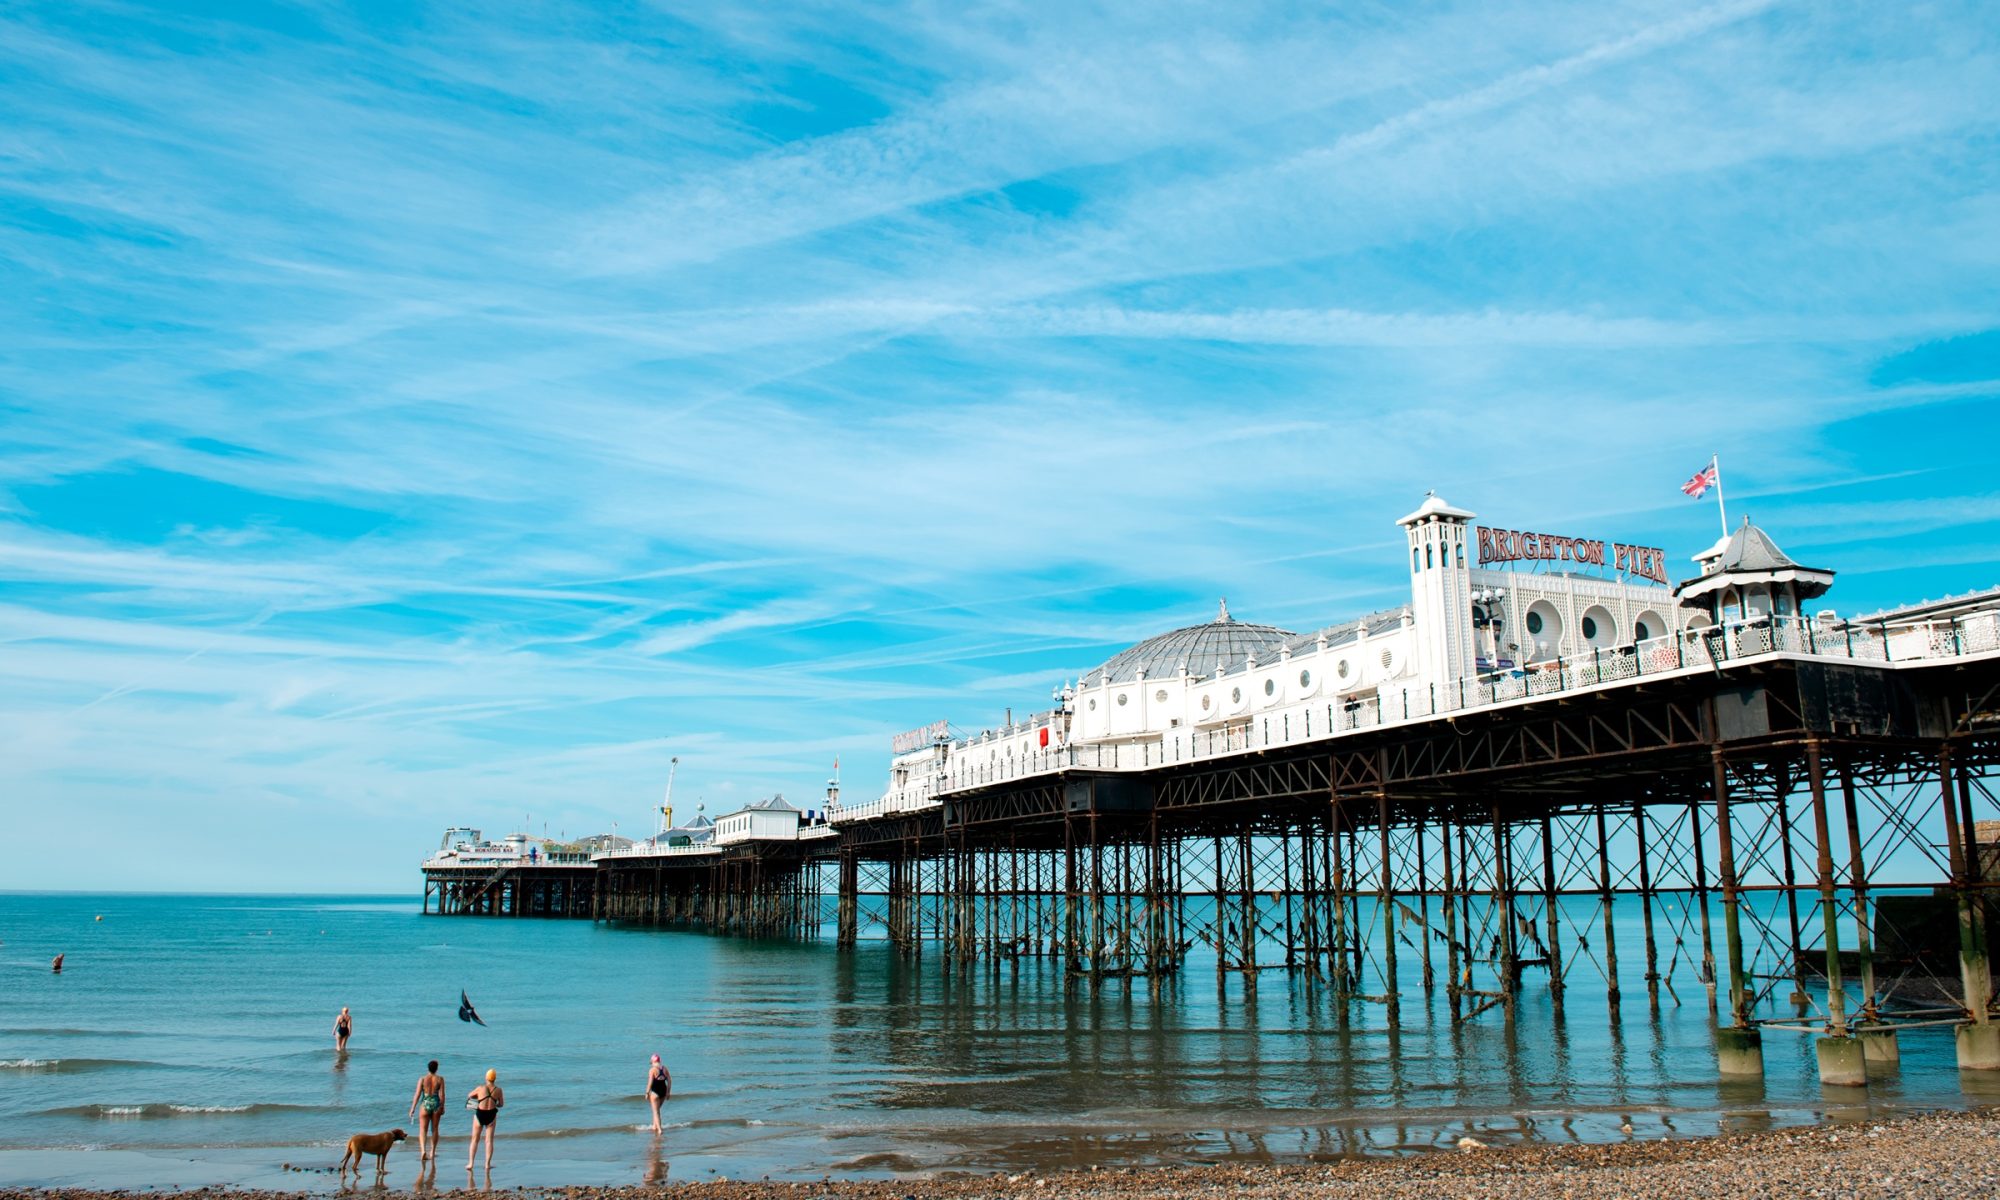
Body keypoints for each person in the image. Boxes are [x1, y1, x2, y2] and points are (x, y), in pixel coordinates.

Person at [408, 1060, 446, 1161]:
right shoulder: (440, 1079)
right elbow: (442, 1095)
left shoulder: (422, 1079)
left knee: (423, 1130)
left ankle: (423, 1151)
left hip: (425, 1104)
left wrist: (412, 1108)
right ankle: (432, 1152)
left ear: (428, 1068)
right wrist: (442, 1106)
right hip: (436, 1105)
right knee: (434, 1129)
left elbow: (417, 1094)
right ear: (436, 1069)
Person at [466, 1068, 503, 1171]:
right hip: (491, 1115)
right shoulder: (498, 1090)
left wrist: (478, 1098)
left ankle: (471, 1163)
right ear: (495, 1078)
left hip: (480, 1114)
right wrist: (494, 1102)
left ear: (486, 1077)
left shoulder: (480, 1088)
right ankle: (487, 1164)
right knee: (489, 1141)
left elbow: (469, 1095)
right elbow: (501, 1104)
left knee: (474, 1140)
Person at [643, 1054, 671, 1132]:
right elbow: (669, 1080)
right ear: (659, 1061)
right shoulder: (664, 1069)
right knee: (656, 1110)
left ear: (652, 1061)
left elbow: (650, 1082)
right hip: (663, 1091)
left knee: (656, 1112)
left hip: (655, 1092)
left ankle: (659, 1129)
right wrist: (668, 1092)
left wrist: (647, 1093)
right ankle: (654, 1126)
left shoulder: (652, 1070)